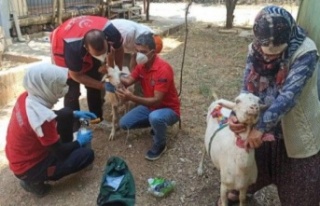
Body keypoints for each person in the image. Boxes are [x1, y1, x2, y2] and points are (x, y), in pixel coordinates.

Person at [223, 6, 320, 206]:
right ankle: (243, 192)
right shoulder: (255, 48)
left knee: (299, 194)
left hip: (294, 128)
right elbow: (246, 87)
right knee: (247, 167)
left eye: (277, 52)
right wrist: (235, 115)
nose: (269, 57)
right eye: (266, 51)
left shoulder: (305, 52)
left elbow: (288, 97)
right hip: (262, 122)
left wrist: (259, 128)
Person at [5, 62, 96, 197]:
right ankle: (34, 182)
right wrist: (79, 142)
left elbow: (46, 115)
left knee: (66, 112)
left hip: (22, 156)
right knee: (86, 155)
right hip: (29, 167)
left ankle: (67, 147)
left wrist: (73, 114)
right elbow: (58, 151)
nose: (60, 91)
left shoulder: (26, 97)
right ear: (45, 86)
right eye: (56, 87)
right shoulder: (43, 121)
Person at [50, 15, 124, 129]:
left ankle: (96, 121)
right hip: (62, 43)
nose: (102, 56)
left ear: (106, 38)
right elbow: (76, 75)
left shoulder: (111, 31)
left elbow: (119, 49)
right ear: (86, 48)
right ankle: (74, 126)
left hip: (83, 38)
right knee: (72, 92)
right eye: (97, 54)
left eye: (103, 52)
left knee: (94, 83)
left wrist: (117, 71)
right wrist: (102, 86)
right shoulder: (72, 47)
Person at [116, 33, 180, 161]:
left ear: (153, 51)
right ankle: (157, 126)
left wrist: (131, 97)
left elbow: (157, 101)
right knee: (124, 123)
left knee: (155, 117)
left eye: (143, 51)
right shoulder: (142, 66)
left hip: (169, 109)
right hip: (150, 107)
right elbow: (128, 80)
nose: (139, 55)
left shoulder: (163, 69)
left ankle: (160, 144)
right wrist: (117, 79)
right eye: (137, 51)